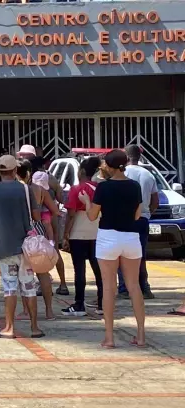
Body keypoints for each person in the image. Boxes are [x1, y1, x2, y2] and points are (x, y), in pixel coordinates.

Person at [79, 149, 146, 348]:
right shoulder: (134, 186)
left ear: (108, 166)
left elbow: (92, 216)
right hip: (131, 237)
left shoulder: (103, 187)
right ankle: (141, 335)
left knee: (109, 288)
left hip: (108, 237)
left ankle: (109, 338)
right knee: (134, 286)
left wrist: (86, 202)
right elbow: (137, 215)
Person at [0, 155, 43, 339]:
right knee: (29, 288)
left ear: (0, 172)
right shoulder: (25, 189)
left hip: (5, 248)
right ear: (15, 170)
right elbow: (37, 216)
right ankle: (34, 327)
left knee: (9, 289)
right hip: (27, 249)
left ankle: (9, 328)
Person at [61, 156, 103, 316]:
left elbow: (71, 215)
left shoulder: (77, 189)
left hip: (78, 234)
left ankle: (79, 304)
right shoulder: (99, 188)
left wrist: (65, 235)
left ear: (82, 171)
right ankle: (101, 304)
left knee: (80, 271)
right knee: (99, 270)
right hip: (97, 233)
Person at [118, 144, 157, 300]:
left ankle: (124, 288)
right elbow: (155, 201)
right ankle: (144, 288)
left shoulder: (122, 173)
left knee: (122, 254)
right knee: (140, 255)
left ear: (126, 158)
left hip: (123, 219)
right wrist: (148, 212)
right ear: (139, 157)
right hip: (143, 219)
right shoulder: (149, 174)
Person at [28, 154, 69, 295]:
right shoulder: (51, 179)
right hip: (51, 216)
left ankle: (41, 282)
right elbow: (60, 197)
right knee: (54, 249)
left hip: (36, 218)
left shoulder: (30, 181)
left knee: (35, 251)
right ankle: (63, 284)